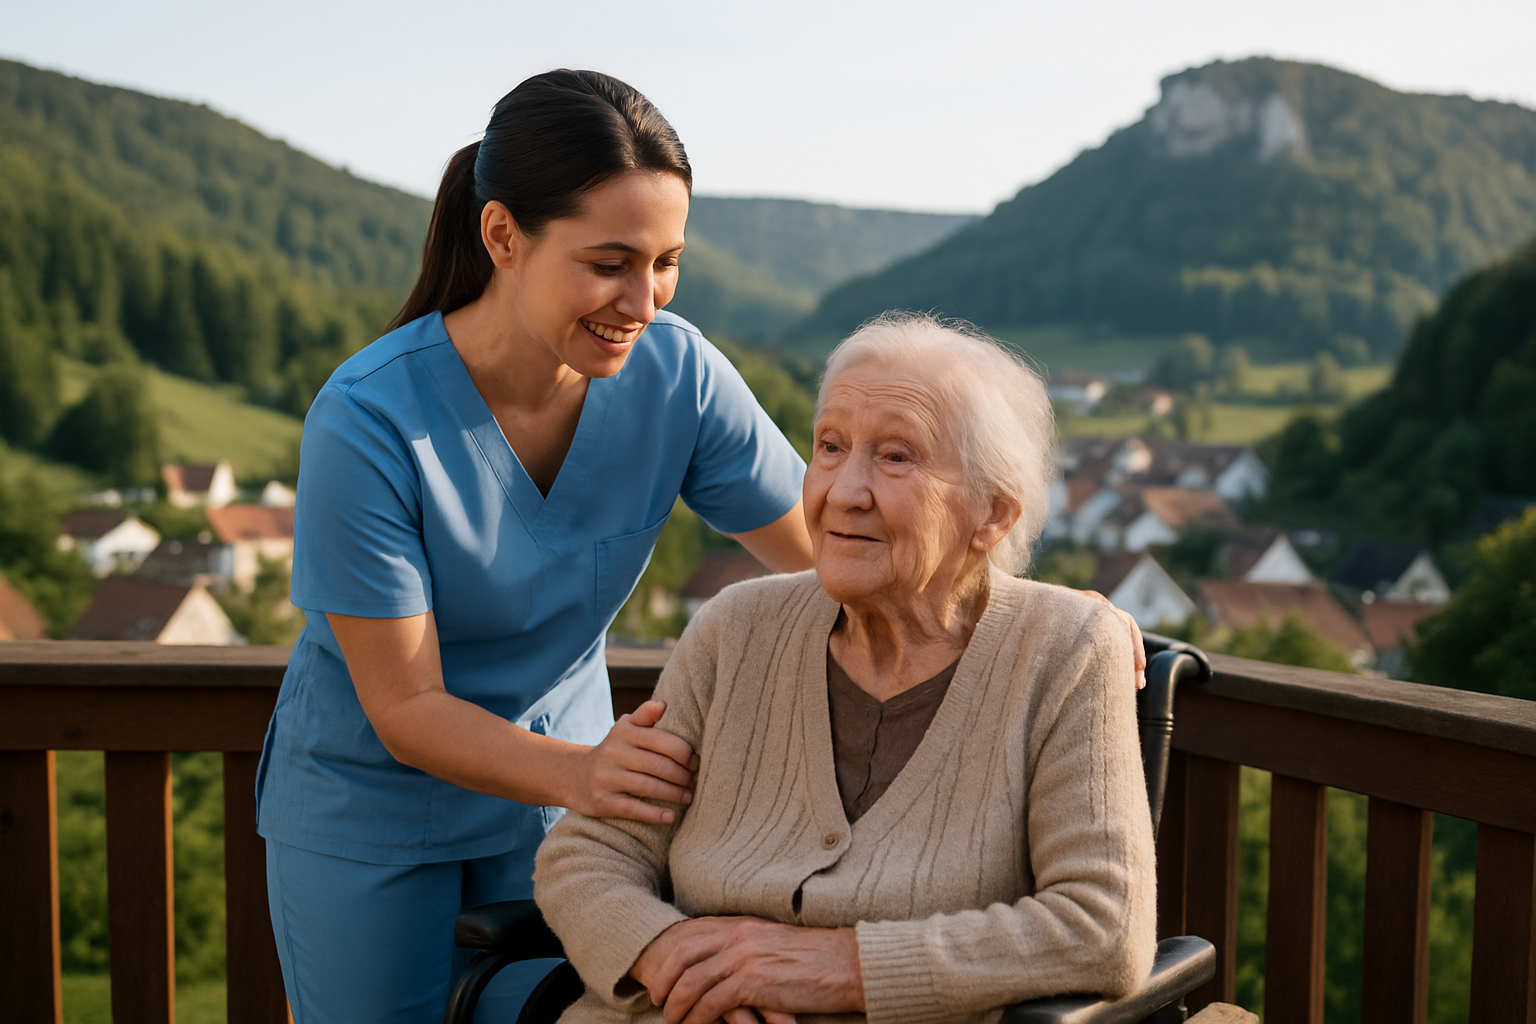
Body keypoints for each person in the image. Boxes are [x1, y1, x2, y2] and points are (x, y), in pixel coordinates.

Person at [255, 70, 813, 1024]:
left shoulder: (678, 376)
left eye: (667, 261)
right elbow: (407, 706)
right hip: (371, 817)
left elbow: (836, 553)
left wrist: (1030, 616)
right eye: (609, 262)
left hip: (562, 821)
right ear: (504, 235)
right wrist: (587, 773)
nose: (643, 299)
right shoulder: (367, 419)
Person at [534, 313, 1158, 1024]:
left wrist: (844, 968)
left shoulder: (1067, 650)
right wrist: (673, 957)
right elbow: (586, 855)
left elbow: (1101, 929)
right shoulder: (731, 630)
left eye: (896, 457)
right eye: (830, 447)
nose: (843, 490)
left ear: (990, 516)